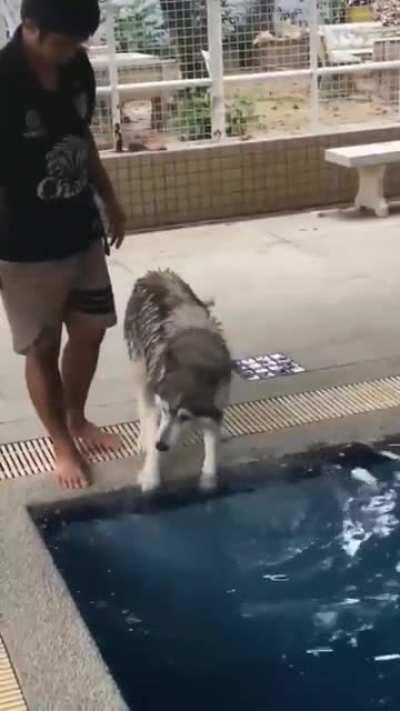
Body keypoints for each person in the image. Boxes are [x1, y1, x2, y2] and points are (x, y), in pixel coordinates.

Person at [0, 0, 126, 489]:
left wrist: (110, 201)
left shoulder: (74, 67)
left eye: (81, 42)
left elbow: (82, 135)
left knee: (91, 330)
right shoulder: (4, 82)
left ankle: (78, 417)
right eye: (65, 41)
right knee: (43, 347)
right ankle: (60, 443)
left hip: (79, 227)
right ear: (30, 28)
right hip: (23, 244)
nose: (75, 51)